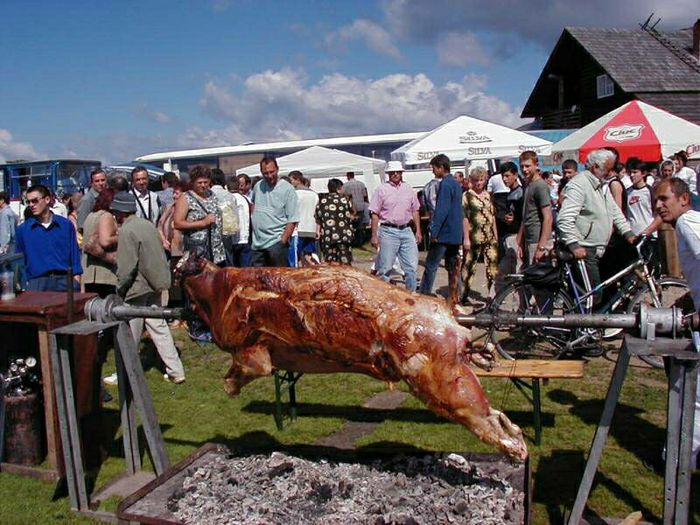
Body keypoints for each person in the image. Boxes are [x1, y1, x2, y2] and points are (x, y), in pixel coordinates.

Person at [112, 192, 185, 384]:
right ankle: (176, 371)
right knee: (159, 327)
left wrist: (119, 288)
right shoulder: (147, 224)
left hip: (137, 288)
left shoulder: (127, 231)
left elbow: (127, 266)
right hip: (155, 283)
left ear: (119, 212)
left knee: (130, 334)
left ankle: (125, 374)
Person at [653, 178, 700, 466]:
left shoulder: (687, 225)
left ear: (684, 199)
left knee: (692, 396)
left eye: (664, 199)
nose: (659, 205)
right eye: (656, 200)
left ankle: (681, 461)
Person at [557, 149, 634, 309]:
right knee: (591, 295)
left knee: (598, 291)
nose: (611, 172)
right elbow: (564, 218)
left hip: (597, 248)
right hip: (584, 248)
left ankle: (588, 328)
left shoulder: (602, 185)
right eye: (608, 168)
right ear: (595, 167)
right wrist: (573, 244)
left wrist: (629, 234)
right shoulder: (580, 184)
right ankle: (579, 330)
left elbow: (615, 212)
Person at [15, 185, 82, 291]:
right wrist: (25, 284)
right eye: (29, 202)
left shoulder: (65, 225)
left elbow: (74, 254)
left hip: (65, 281)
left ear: (47, 199)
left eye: (35, 201)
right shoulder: (23, 230)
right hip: (37, 283)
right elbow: (19, 260)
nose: (31, 205)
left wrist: (77, 279)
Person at [369, 160, 422, 291]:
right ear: (388, 174)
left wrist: (419, 231)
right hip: (388, 230)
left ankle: (411, 295)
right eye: (393, 172)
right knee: (385, 267)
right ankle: (386, 297)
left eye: (398, 172)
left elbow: (415, 210)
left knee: (411, 267)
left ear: (401, 173)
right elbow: (374, 213)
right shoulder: (381, 190)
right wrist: (374, 235)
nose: (396, 174)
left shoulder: (408, 189)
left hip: (406, 229)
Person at [418, 154, 464, 302]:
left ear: (441, 167)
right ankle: (455, 295)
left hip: (443, 233)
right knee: (453, 266)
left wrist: (434, 230)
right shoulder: (456, 184)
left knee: (431, 265)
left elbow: (441, 209)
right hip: (455, 233)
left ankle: (424, 294)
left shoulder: (445, 184)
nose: (433, 171)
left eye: (434, 168)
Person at [249, 157, 299, 267]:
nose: (269, 175)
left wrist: (283, 241)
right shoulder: (258, 186)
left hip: (276, 243)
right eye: (265, 173)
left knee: (279, 281)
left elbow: (293, 219)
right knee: (258, 281)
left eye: (272, 172)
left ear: (277, 169)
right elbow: (253, 204)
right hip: (258, 244)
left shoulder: (288, 189)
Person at [173, 165, 225, 266]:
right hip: (198, 252)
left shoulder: (212, 195)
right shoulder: (185, 198)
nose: (203, 185)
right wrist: (202, 223)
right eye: (199, 183)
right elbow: (177, 223)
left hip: (217, 252)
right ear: (193, 182)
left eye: (206, 182)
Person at [461, 166, 499, 305]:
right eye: (476, 180)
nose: (479, 183)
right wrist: (465, 238)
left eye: (481, 180)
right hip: (474, 236)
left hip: (489, 236)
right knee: (469, 267)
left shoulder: (488, 195)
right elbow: (464, 217)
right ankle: (463, 294)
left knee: (493, 267)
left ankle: (493, 295)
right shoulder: (467, 196)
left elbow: (492, 215)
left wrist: (496, 235)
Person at [517, 150, 553, 266]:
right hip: (530, 239)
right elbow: (526, 215)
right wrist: (520, 241)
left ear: (536, 165)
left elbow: (548, 218)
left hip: (538, 240)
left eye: (528, 166)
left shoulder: (540, 186)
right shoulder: (529, 185)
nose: (524, 169)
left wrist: (541, 247)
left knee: (540, 278)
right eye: (522, 166)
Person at [81, 188, 119, 297]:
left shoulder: (90, 216)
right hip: (104, 274)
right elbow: (105, 241)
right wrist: (121, 236)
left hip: (90, 274)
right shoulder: (106, 216)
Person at [494, 162, 524, 293]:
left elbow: (524, 217)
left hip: (517, 237)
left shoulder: (521, 193)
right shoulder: (510, 193)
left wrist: (515, 221)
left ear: (515, 175)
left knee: (516, 273)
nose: (505, 179)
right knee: (503, 272)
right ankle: (494, 300)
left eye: (507, 176)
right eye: (503, 176)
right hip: (509, 236)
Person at [315, 178, 355, 264]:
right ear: (338, 188)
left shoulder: (322, 201)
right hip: (343, 234)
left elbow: (318, 218)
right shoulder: (344, 200)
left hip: (328, 235)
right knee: (345, 261)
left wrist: (318, 231)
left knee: (330, 262)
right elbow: (353, 212)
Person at [210, 168, 240, 267]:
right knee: (228, 261)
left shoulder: (208, 195)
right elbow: (235, 215)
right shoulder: (230, 196)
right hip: (227, 232)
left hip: (212, 232)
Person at [289, 171, 319, 266]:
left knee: (296, 257)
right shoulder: (314, 194)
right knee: (308, 256)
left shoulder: (295, 193)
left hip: (298, 229)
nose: (290, 183)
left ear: (297, 179)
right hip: (311, 228)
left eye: (291, 180)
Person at [225, 178, 252, 267]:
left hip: (232, 239)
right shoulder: (247, 199)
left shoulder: (227, 199)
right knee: (245, 270)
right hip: (246, 238)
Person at [343, 171, 369, 246]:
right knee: (360, 225)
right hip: (361, 206)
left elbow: (345, 196)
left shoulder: (345, 185)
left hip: (352, 207)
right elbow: (365, 195)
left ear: (348, 176)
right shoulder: (361, 184)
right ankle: (360, 241)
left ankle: (352, 240)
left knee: (351, 225)